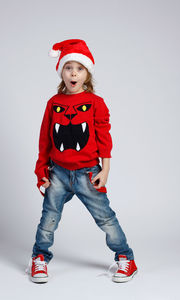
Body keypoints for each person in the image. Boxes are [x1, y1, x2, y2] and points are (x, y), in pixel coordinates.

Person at [25, 39, 138, 283]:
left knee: (106, 218)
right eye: (68, 67)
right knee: (48, 218)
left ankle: (125, 257)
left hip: (88, 173)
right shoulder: (53, 103)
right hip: (58, 173)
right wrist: (41, 169)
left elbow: (104, 138)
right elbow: (45, 139)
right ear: (61, 72)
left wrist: (105, 169)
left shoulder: (95, 103)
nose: (73, 72)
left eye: (79, 68)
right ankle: (39, 258)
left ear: (87, 74)